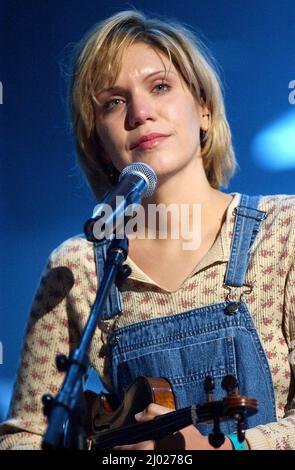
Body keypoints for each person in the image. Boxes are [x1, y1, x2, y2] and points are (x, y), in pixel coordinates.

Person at [0, 9, 295, 451]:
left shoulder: (285, 230)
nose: (139, 112)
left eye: (160, 87)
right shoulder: (75, 267)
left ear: (205, 111)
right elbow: (24, 438)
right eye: (113, 102)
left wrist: (226, 450)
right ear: (97, 140)